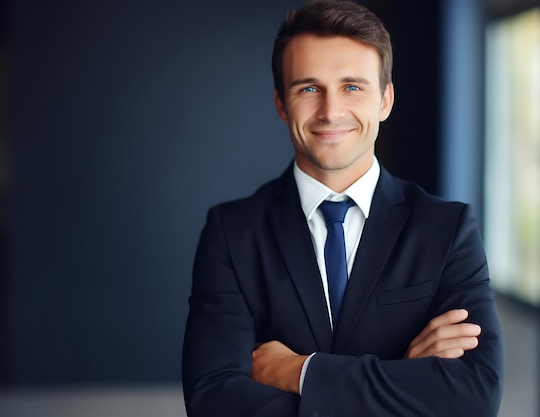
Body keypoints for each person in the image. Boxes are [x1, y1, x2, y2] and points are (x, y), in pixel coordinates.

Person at [182, 0, 504, 416]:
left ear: (385, 101)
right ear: (281, 104)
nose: (331, 111)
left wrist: (302, 372)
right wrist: (402, 378)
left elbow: (475, 396)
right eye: (308, 88)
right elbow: (213, 400)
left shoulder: (447, 227)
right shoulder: (231, 232)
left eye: (352, 86)